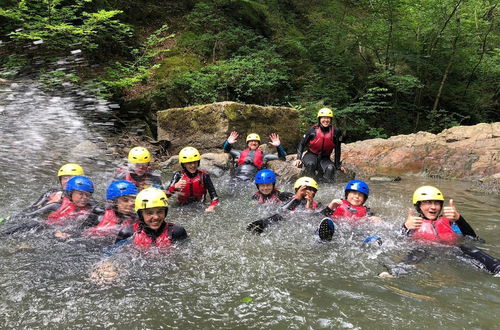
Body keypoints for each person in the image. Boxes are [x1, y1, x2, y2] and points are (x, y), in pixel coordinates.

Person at [381, 186, 500, 276]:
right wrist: (405, 227)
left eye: (437, 203)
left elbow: (473, 238)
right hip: (425, 249)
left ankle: (496, 267)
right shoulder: (413, 223)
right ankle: (395, 273)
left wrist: (459, 218)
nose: (433, 207)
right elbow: (395, 241)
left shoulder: (449, 222)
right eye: (427, 202)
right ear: (418, 206)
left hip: (453, 249)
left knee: (468, 248)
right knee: (416, 251)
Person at [0, 176, 102, 237]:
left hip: (67, 235)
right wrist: (8, 219)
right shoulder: (55, 206)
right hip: (48, 229)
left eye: (87, 194)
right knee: (32, 223)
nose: (84, 197)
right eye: (80, 194)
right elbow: (30, 214)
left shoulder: (92, 211)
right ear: (70, 193)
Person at [6, 163, 85, 221]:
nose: (67, 181)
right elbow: (34, 208)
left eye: (71, 178)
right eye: (65, 178)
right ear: (60, 180)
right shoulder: (52, 193)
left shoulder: (85, 198)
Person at [247, 176, 321, 233]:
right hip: (284, 218)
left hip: (299, 223)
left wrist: (309, 202)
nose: (307, 192)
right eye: (304, 189)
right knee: (281, 215)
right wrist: (297, 197)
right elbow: (282, 210)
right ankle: (264, 224)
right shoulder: (285, 195)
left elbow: (309, 217)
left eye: (311, 190)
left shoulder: (316, 204)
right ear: (297, 190)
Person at [293, 108, 346, 182]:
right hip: (311, 155)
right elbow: (302, 144)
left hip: (325, 158)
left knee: (330, 168)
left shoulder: (336, 132)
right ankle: (309, 184)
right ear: (319, 119)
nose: (326, 120)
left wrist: (337, 165)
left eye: (328, 118)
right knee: (310, 164)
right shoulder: (312, 130)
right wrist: (298, 158)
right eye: (323, 118)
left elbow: (337, 149)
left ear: (331, 119)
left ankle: (324, 188)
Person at [166, 147, 219, 212]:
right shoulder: (178, 175)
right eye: (189, 163)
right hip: (181, 206)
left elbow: (214, 197)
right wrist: (175, 187)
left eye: (195, 162)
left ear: (198, 162)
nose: (193, 165)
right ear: (184, 164)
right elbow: (165, 196)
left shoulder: (204, 176)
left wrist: (212, 206)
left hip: (200, 205)